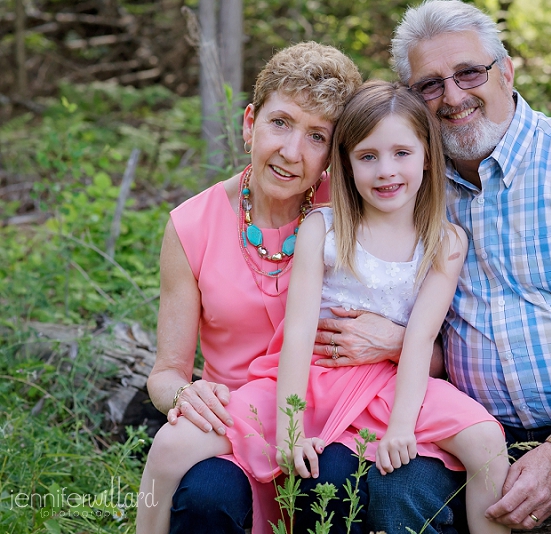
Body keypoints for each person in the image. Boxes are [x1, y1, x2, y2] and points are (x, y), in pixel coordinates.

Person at [312, 1, 551, 533]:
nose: (453, 96)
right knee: (397, 484)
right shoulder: (407, 183)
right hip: (472, 421)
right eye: (430, 84)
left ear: (507, 71)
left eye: (470, 72)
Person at [139, 79, 510, 534]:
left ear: (428, 155)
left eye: (401, 154)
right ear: (348, 165)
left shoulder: (446, 242)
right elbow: (297, 333)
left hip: (386, 385)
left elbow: (419, 340)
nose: (385, 170)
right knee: (172, 445)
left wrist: (401, 425)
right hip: (308, 381)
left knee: (487, 440)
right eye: (368, 157)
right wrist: (290, 430)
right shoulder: (326, 226)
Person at [138, 41, 378, 534]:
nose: (292, 152)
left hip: (329, 424)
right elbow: (165, 374)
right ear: (251, 122)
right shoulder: (191, 225)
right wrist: (185, 392)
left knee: (331, 485)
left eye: (317, 137)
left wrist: (393, 340)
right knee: (207, 496)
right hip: (229, 431)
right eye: (281, 123)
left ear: (336, 151)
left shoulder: (356, 212)